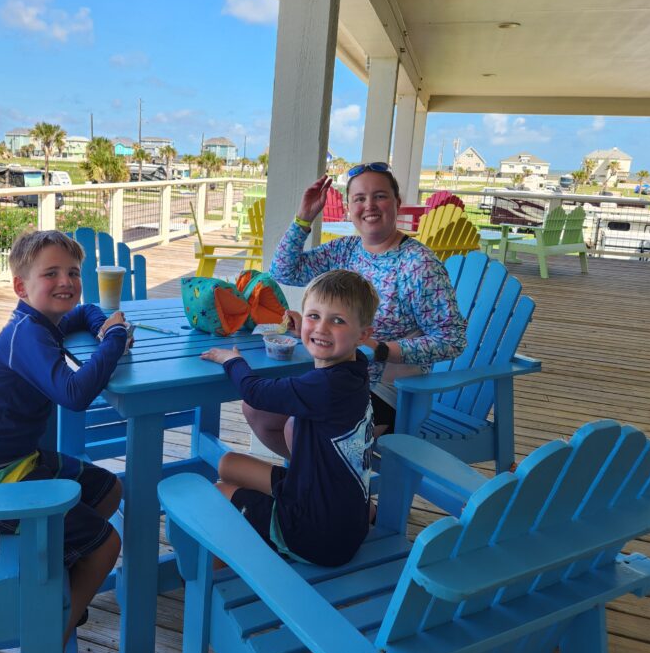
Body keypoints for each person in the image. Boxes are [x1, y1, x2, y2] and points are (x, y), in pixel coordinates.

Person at [0, 230, 126, 641]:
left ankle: (60, 573)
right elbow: (74, 393)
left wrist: (103, 325)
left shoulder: (40, 321)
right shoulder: (26, 334)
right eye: (51, 274)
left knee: (109, 489)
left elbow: (83, 315)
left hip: (19, 463)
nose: (65, 282)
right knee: (106, 545)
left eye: (72, 272)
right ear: (21, 287)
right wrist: (116, 339)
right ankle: (56, 629)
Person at [265, 163, 467, 455]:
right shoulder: (345, 250)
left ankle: (323, 489)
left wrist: (383, 349)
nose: (369, 205)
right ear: (349, 208)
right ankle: (315, 483)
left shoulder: (418, 265)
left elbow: (452, 339)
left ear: (397, 204)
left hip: (386, 391)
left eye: (380, 196)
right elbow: (284, 271)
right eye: (359, 198)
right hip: (333, 372)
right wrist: (304, 219)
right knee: (258, 410)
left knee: (299, 429)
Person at [200, 269, 377, 567]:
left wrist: (232, 361)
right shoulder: (354, 369)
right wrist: (308, 335)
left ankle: (222, 585)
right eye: (314, 316)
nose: (321, 328)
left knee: (218, 496)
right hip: (333, 506)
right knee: (228, 463)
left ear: (363, 335)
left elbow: (253, 392)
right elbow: (322, 361)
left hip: (316, 536)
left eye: (337, 320)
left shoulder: (326, 386)